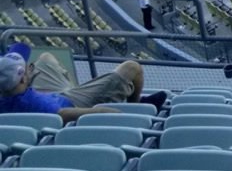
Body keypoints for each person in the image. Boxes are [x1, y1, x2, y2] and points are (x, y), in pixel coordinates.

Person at [0, 43, 156, 123]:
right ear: (22, 78)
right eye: (28, 68)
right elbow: (99, 113)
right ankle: (137, 103)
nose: (30, 68)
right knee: (131, 67)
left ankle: (73, 88)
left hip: (49, 93)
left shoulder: (9, 93)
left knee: (46, 58)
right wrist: (135, 118)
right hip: (73, 102)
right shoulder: (38, 106)